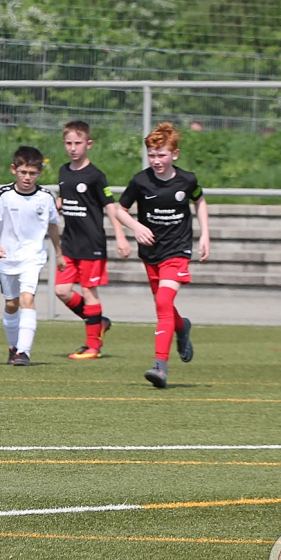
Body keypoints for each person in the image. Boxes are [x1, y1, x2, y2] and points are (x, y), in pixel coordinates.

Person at [115, 122, 210, 389]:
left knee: (164, 302)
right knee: (164, 305)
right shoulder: (140, 181)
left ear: (174, 154)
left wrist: (205, 234)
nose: (156, 160)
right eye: (152, 155)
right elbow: (120, 210)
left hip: (177, 250)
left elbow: (199, 200)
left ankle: (160, 366)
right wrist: (136, 227)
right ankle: (182, 327)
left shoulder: (187, 180)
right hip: (151, 253)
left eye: (162, 155)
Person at [54, 121, 131, 359]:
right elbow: (66, 199)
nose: (73, 148)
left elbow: (110, 206)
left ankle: (93, 346)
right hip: (69, 243)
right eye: (68, 143)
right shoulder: (63, 171)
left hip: (91, 244)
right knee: (61, 290)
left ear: (89, 144)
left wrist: (120, 237)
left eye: (78, 143)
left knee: (89, 291)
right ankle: (99, 322)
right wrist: (56, 205)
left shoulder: (96, 176)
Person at [0, 145, 64, 367]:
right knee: (11, 304)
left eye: (32, 173)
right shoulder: (4, 194)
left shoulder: (46, 197)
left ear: (40, 172)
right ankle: (13, 347)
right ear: (14, 169)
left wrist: (59, 253)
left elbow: (52, 227)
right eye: (23, 172)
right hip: (8, 257)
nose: (27, 177)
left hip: (33, 256)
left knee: (27, 299)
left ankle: (24, 351)